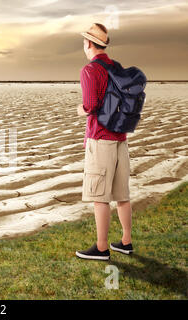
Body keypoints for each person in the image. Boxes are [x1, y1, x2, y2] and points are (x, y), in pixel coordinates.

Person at [75, 23, 134, 260]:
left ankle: (101, 248)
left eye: (84, 41)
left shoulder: (90, 70)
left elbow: (90, 105)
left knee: (100, 196)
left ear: (89, 43)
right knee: (122, 194)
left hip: (100, 139)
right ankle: (126, 242)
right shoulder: (117, 68)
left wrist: (80, 109)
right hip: (120, 138)